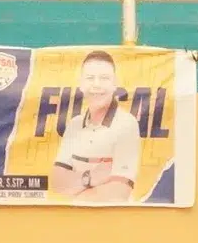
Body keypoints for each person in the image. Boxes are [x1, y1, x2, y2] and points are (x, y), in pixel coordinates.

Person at [48, 51, 141, 203]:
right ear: (81, 84)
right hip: (74, 215)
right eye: (90, 78)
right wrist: (90, 178)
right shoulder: (74, 124)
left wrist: (75, 193)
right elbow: (57, 183)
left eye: (104, 78)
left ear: (114, 84)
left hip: (114, 216)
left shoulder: (127, 124)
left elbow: (119, 192)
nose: (96, 85)